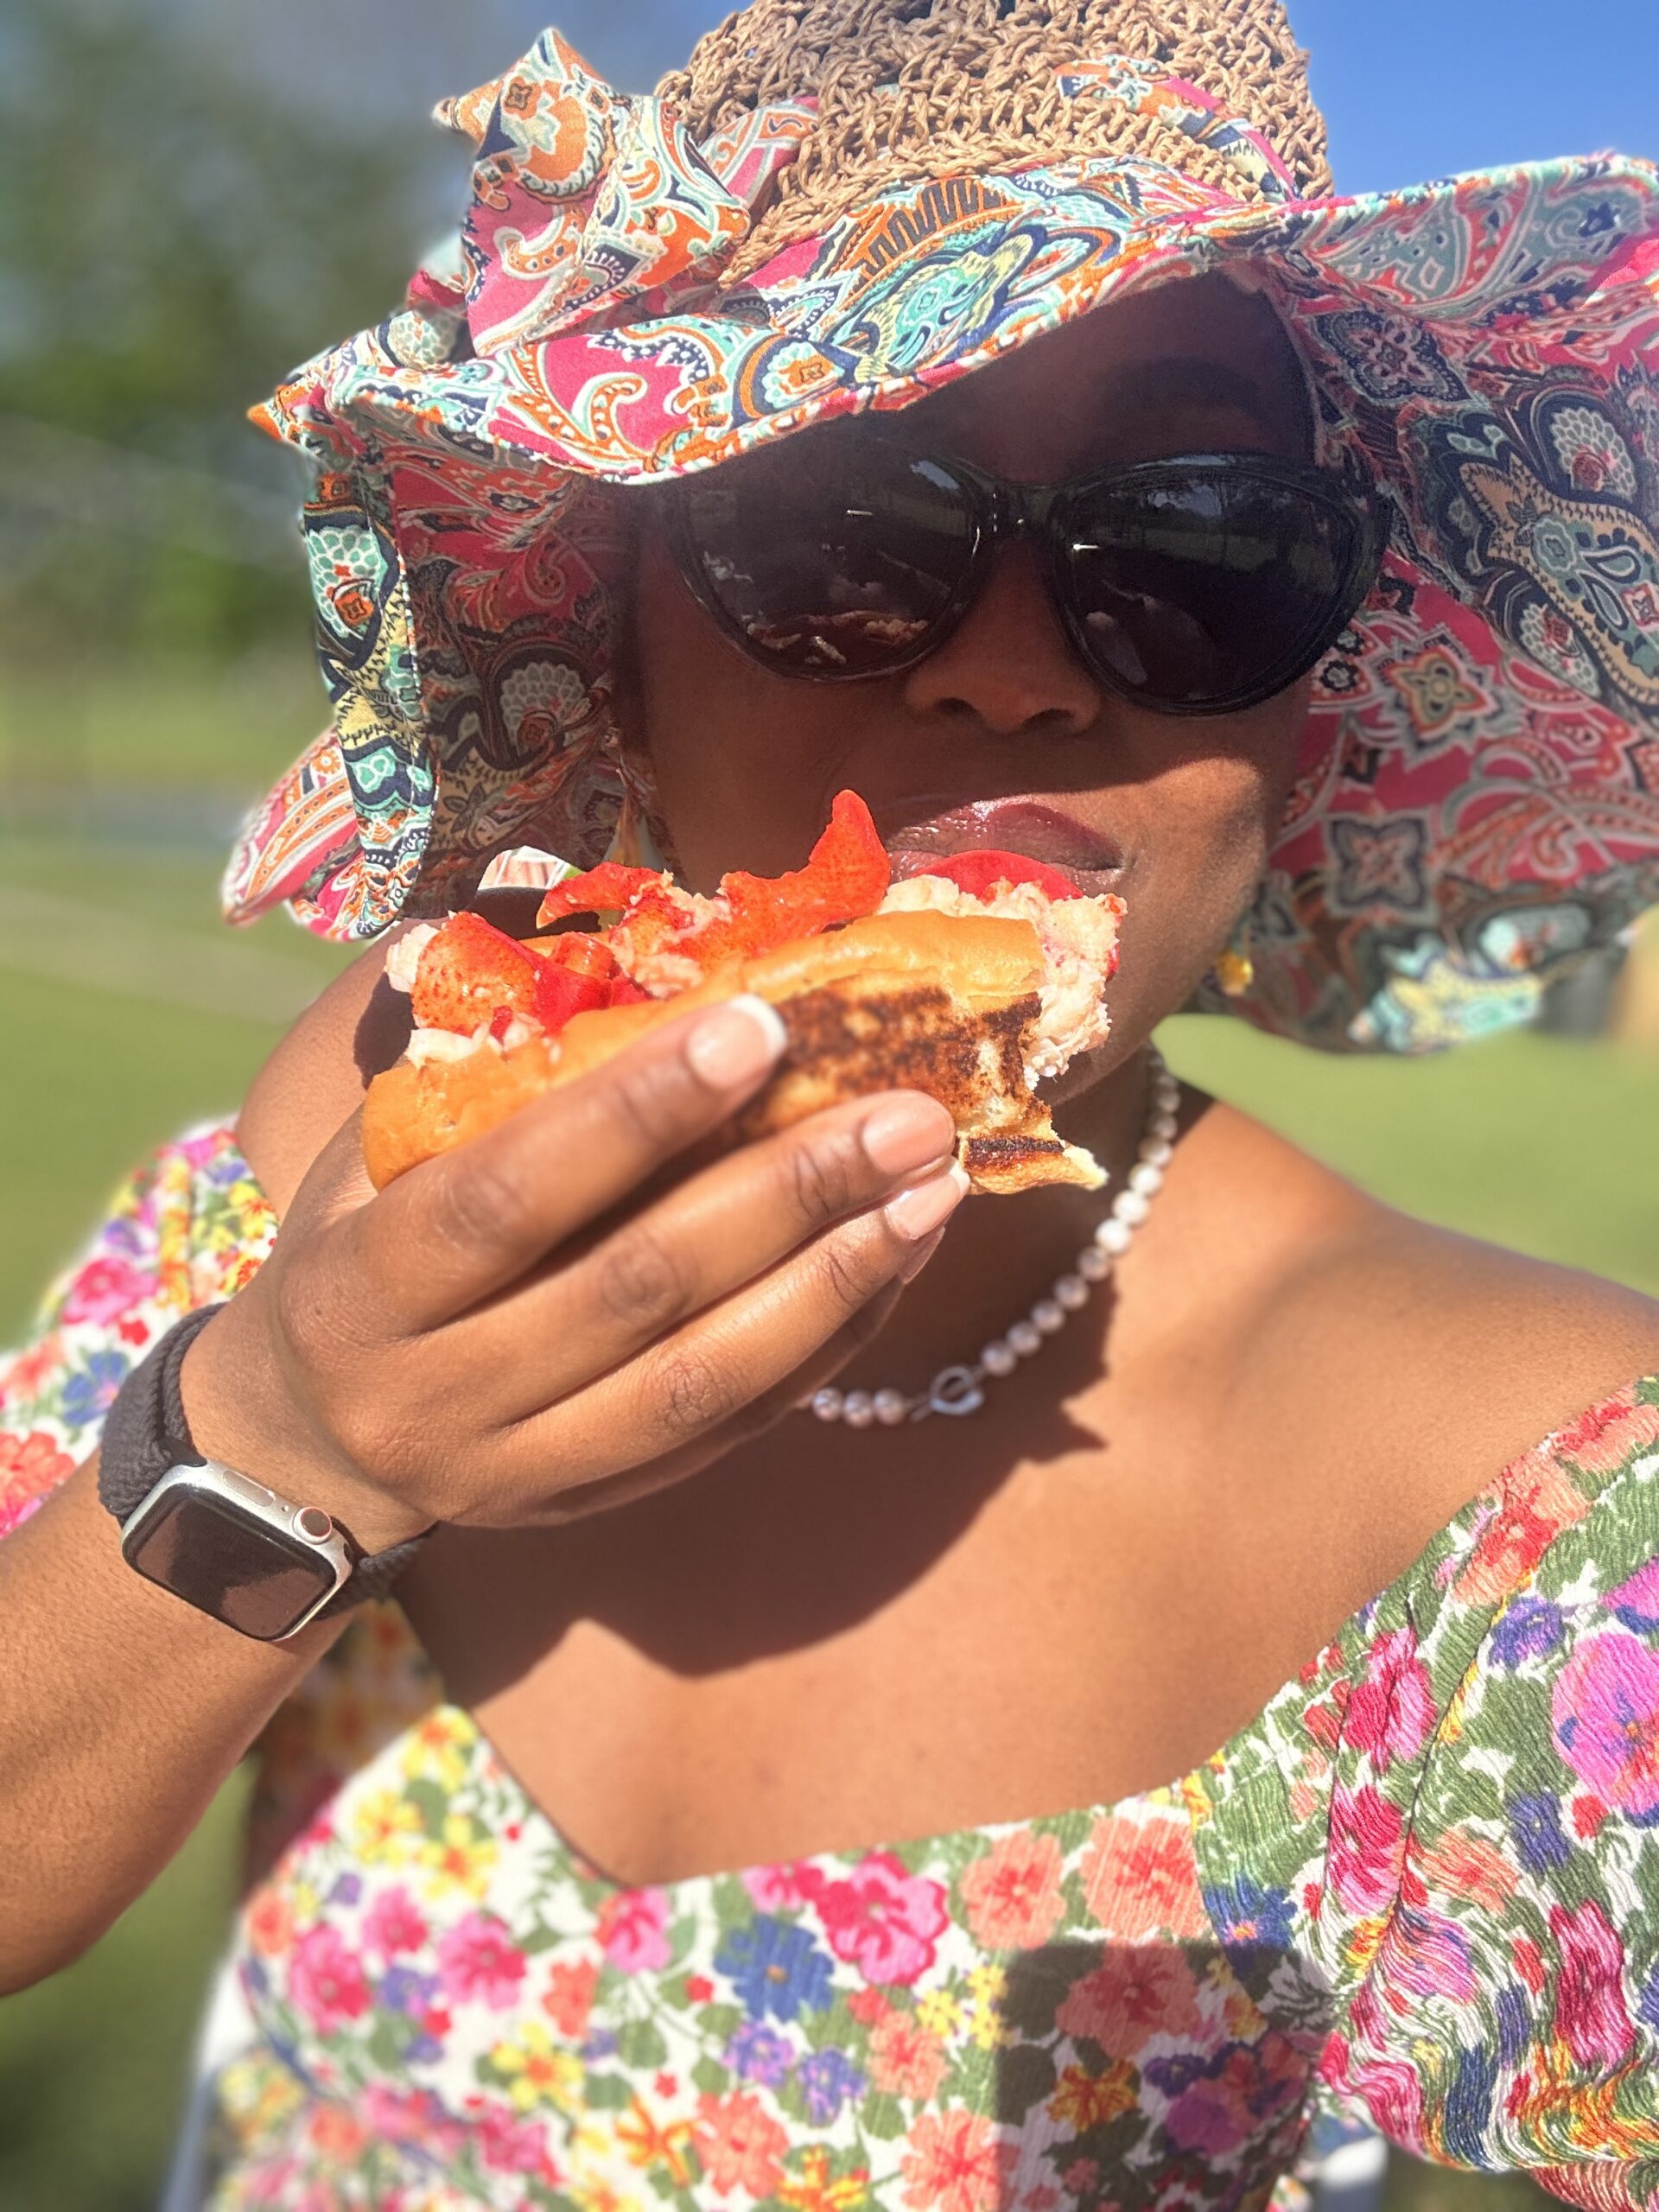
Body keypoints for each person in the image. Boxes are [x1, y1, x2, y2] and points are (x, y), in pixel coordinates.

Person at [4, 3, 1659, 2205]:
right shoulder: (379, 1120)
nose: (1006, 664)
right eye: (838, 514)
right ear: (614, 637)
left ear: (1308, 735)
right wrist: (284, 1444)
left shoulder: (1548, 1498)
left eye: (1197, 546)